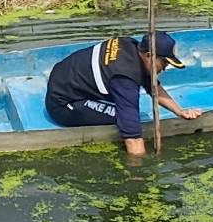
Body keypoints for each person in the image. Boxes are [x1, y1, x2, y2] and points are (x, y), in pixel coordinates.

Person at [44, 30, 203, 156]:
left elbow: (152, 86)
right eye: (164, 62)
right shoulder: (125, 77)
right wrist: (141, 169)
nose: (165, 68)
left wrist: (179, 111)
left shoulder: (130, 45)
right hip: (64, 104)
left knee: (127, 109)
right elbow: (132, 135)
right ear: (149, 56)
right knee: (127, 116)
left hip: (64, 78)